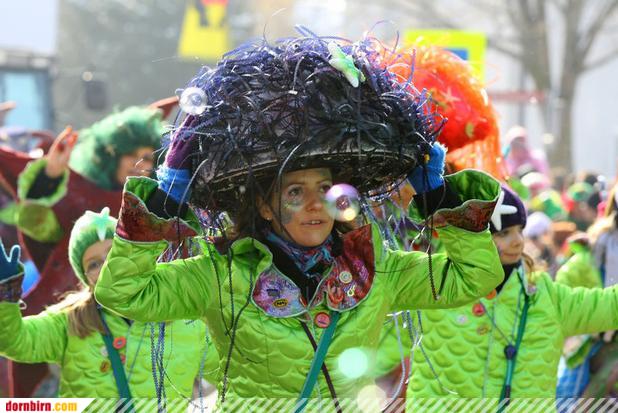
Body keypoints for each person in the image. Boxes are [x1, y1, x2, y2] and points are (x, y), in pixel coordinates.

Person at [94, 33, 505, 410]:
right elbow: (122, 293)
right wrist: (165, 201)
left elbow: (476, 277)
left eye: (325, 188)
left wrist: (436, 196)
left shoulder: (376, 269)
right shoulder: (219, 276)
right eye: (295, 192)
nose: (315, 205)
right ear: (264, 206)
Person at [403, 185, 618, 411]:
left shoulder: (543, 294)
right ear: (475, 237)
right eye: (504, 233)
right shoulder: (434, 282)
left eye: (519, 230)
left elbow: (608, 306)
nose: (518, 241)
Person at [0, 208, 218, 410]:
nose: (106, 266)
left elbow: (230, 375)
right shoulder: (69, 321)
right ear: (85, 278)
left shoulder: (184, 317)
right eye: (93, 264)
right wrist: (5, 295)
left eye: (113, 254)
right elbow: (14, 341)